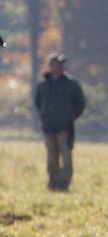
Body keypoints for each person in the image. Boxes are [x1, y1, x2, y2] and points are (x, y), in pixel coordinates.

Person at [33, 52, 85, 191]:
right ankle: (53, 182)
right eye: (57, 63)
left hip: (65, 127)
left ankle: (64, 184)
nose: (61, 66)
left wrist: (70, 117)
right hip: (48, 127)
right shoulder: (43, 85)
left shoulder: (71, 84)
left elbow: (80, 103)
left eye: (61, 64)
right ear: (50, 65)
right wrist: (45, 116)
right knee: (51, 157)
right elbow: (38, 103)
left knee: (66, 156)